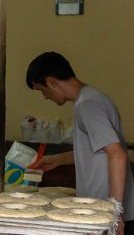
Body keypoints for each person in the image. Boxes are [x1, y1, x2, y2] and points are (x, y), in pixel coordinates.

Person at [26, 51, 134, 234]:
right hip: (103, 212)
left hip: (106, 215)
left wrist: (116, 214)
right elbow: (100, 151)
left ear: (51, 81)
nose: (45, 97)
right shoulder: (94, 97)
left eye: (42, 90)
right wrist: (59, 159)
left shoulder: (87, 105)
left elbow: (118, 154)